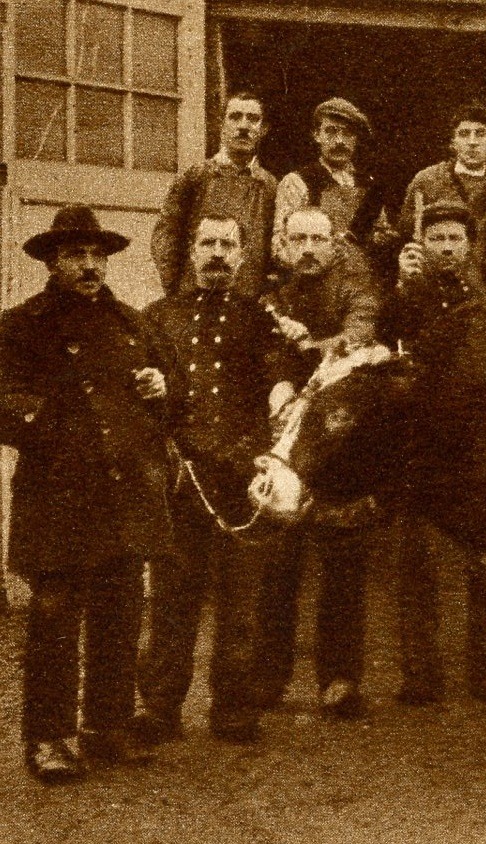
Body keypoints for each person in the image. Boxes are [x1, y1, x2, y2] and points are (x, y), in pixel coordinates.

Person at [0, 205, 173, 782]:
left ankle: (108, 726)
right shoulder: (22, 325)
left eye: (97, 254)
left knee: (119, 614)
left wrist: (158, 389)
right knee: (53, 621)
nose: (90, 265)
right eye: (76, 254)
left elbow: (170, 405)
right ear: (52, 261)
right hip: (57, 500)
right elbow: (5, 403)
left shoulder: (132, 324)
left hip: (121, 498)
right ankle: (48, 738)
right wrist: (56, 422)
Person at [134, 215, 286, 747]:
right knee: (174, 597)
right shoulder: (156, 318)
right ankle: (159, 707)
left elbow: (281, 389)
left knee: (243, 600)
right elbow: (139, 398)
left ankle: (233, 708)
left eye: (228, 244)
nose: (217, 253)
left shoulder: (262, 320)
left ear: (243, 255)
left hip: (241, 482)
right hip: (182, 480)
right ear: (191, 251)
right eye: (208, 243)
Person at [379, 200, 486, 705]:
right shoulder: (402, 299)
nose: (445, 248)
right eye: (435, 238)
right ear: (423, 244)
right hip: (419, 447)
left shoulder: (485, 302)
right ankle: (420, 671)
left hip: (472, 447)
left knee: (483, 563)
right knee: (416, 561)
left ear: (469, 247)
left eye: (454, 239)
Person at [255, 206, 382, 719]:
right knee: (278, 566)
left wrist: (310, 343)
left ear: (334, 245)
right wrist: (280, 384)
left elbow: (360, 334)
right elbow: (262, 353)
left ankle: (340, 678)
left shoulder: (356, 289)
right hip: (283, 437)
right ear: (284, 245)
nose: (308, 248)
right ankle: (268, 678)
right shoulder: (270, 295)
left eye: (317, 239)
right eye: (298, 239)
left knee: (343, 567)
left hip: (339, 446)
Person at [152, 91, 276, 297]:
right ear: (222, 124)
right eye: (235, 117)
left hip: (247, 300)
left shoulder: (269, 185)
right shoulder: (197, 176)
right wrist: (176, 292)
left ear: (263, 129)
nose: (243, 126)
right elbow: (166, 237)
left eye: (253, 119)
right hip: (196, 295)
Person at [396, 102, 486, 281]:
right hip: (431, 281)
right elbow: (406, 234)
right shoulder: (427, 180)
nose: (472, 142)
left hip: (480, 285)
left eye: (480, 134)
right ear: (453, 143)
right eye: (464, 134)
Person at [273, 98, 397, 273]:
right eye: (331, 131)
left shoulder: (369, 186)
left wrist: (382, 239)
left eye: (348, 133)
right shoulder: (298, 181)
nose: (340, 141)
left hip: (361, 284)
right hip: (313, 281)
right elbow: (279, 245)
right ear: (317, 135)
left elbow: (379, 235)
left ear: (356, 138)